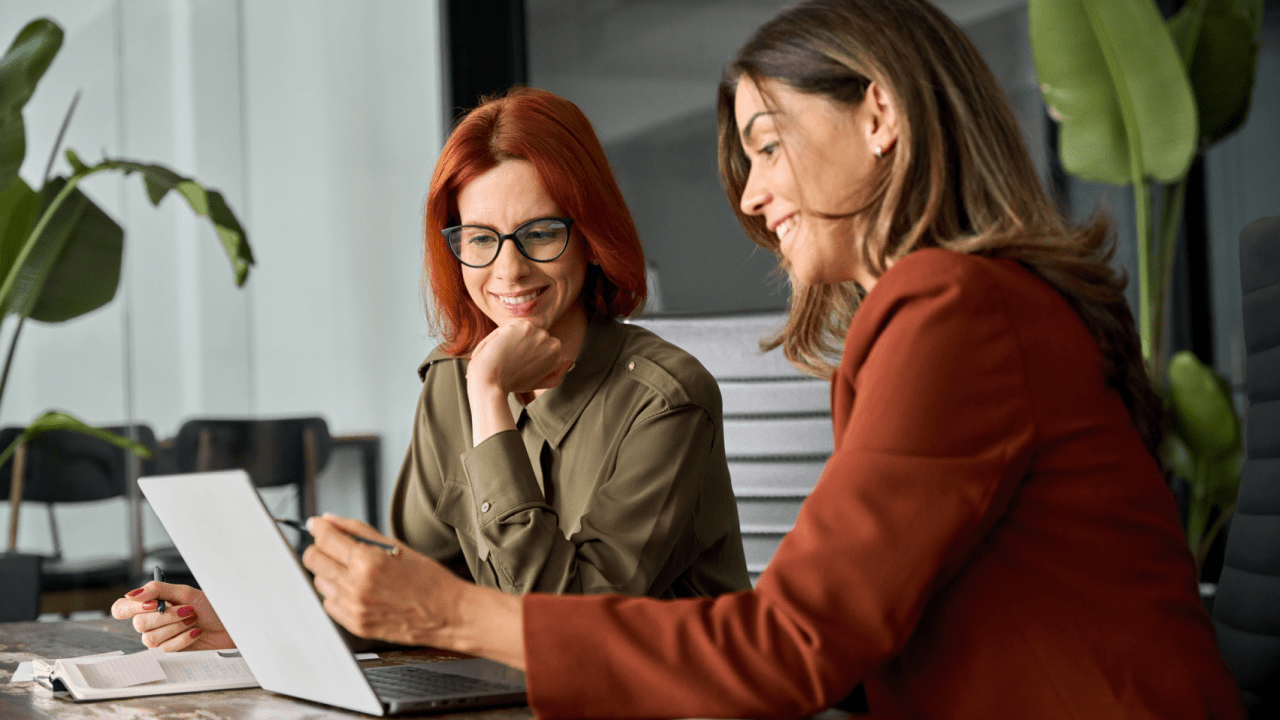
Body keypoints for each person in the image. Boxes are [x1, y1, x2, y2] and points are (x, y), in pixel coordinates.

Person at [127, 1, 1249, 717]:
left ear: (880, 117)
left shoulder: (951, 308)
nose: (754, 200)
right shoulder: (964, 308)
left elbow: (789, 646)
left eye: (765, 146)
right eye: (475, 237)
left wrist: (445, 614)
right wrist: (273, 618)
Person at [113, 87, 750, 650]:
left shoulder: (665, 399)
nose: (509, 271)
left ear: (590, 235)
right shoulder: (452, 380)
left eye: (540, 233)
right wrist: (248, 620)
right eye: (480, 238)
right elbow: (413, 592)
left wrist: (491, 397)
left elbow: (562, 627)